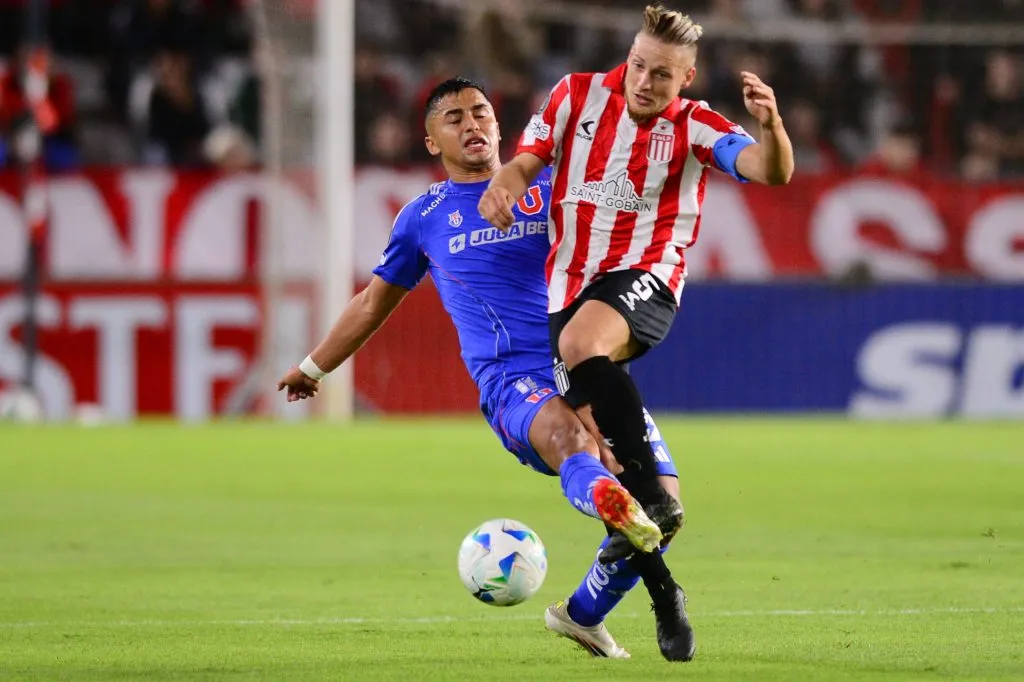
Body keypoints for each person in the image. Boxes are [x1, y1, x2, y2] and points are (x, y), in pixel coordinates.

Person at [277, 78, 682, 659]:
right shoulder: (425, 217)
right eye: (453, 118)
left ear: (499, 124)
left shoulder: (556, 185)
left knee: (664, 507)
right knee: (574, 442)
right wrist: (314, 367)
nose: (471, 124)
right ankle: (607, 502)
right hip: (512, 380)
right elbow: (372, 302)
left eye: (481, 112)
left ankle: (581, 614)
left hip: (584, 364)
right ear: (430, 141)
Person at [479, 3, 795, 661]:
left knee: (579, 350)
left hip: (646, 283)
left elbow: (771, 172)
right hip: (570, 295)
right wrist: (501, 189)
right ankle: (652, 596)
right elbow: (524, 163)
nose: (645, 82)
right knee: (627, 482)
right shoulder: (576, 96)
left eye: (662, 74)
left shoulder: (696, 125)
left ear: (688, 77)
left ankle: (650, 512)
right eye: (639, 65)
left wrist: (773, 128)